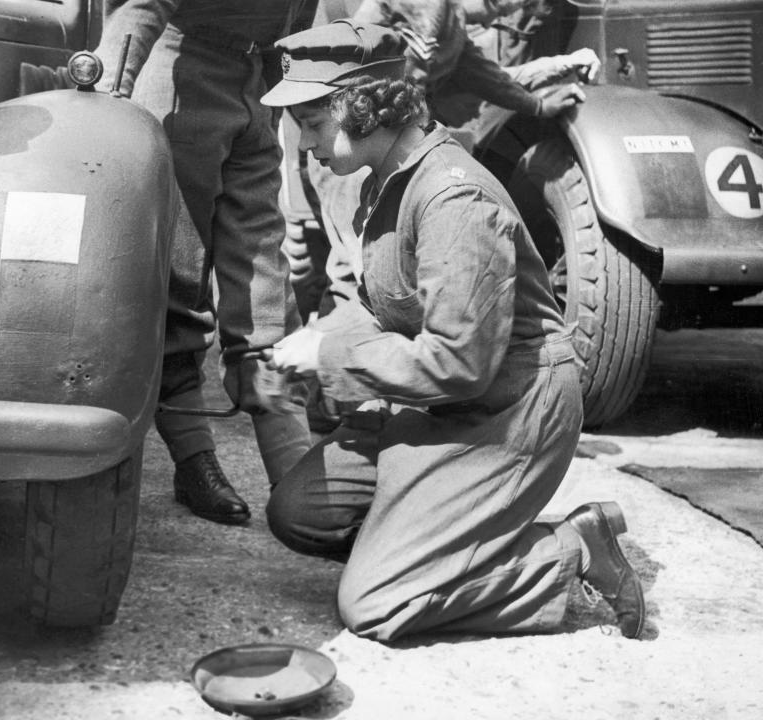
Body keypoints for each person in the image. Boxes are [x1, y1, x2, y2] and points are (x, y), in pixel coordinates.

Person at [259, 21, 647, 641]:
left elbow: (460, 363)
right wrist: (319, 341)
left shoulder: (451, 198)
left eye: (312, 123)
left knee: (376, 606)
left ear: (360, 107)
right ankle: (438, 543)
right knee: (302, 513)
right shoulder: (387, 181)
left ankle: (569, 549)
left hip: (509, 413)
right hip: (441, 403)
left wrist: (332, 354)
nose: (303, 143)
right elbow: (386, 305)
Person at [94, 1, 319, 524]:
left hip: (258, 87)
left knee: (265, 286)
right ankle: (194, 460)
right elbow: (142, 7)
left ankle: (299, 482)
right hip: (182, 81)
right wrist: (108, 100)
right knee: (180, 285)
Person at [284, 0, 600, 324]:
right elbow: (355, 44)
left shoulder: (455, 29)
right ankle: (333, 353)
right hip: (350, 147)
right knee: (358, 267)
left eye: (506, 10)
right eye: (498, 5)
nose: (497, 15)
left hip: (390, 151)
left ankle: (338, 350)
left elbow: (490, 80)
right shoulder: (430, 7)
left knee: (373, 271)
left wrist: (538, 106)